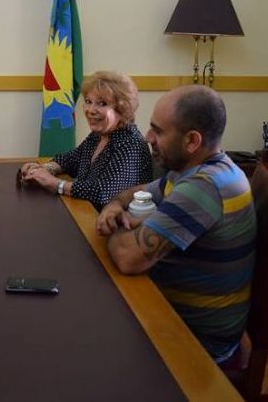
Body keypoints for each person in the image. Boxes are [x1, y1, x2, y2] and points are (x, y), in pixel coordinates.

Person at [96, 85, 256, 362]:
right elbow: (139, 192)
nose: (147, 137)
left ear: (192, 141)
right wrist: (114, 205)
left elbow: (128, 257)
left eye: (158, 131)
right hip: (171, 313)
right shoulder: (191, 171)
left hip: (192, 342)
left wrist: (121, 224)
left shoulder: (204, 187)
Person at [20, 71, 152, 208]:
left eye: (102, 103)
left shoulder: (131, 143)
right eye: (88, 102)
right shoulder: (98, 135)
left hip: (114, 223)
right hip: (85, 211)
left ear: (123, 109)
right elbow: (71, 159)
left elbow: (103, 193)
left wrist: (54, 183)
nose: (91, 110)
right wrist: (44, 169)